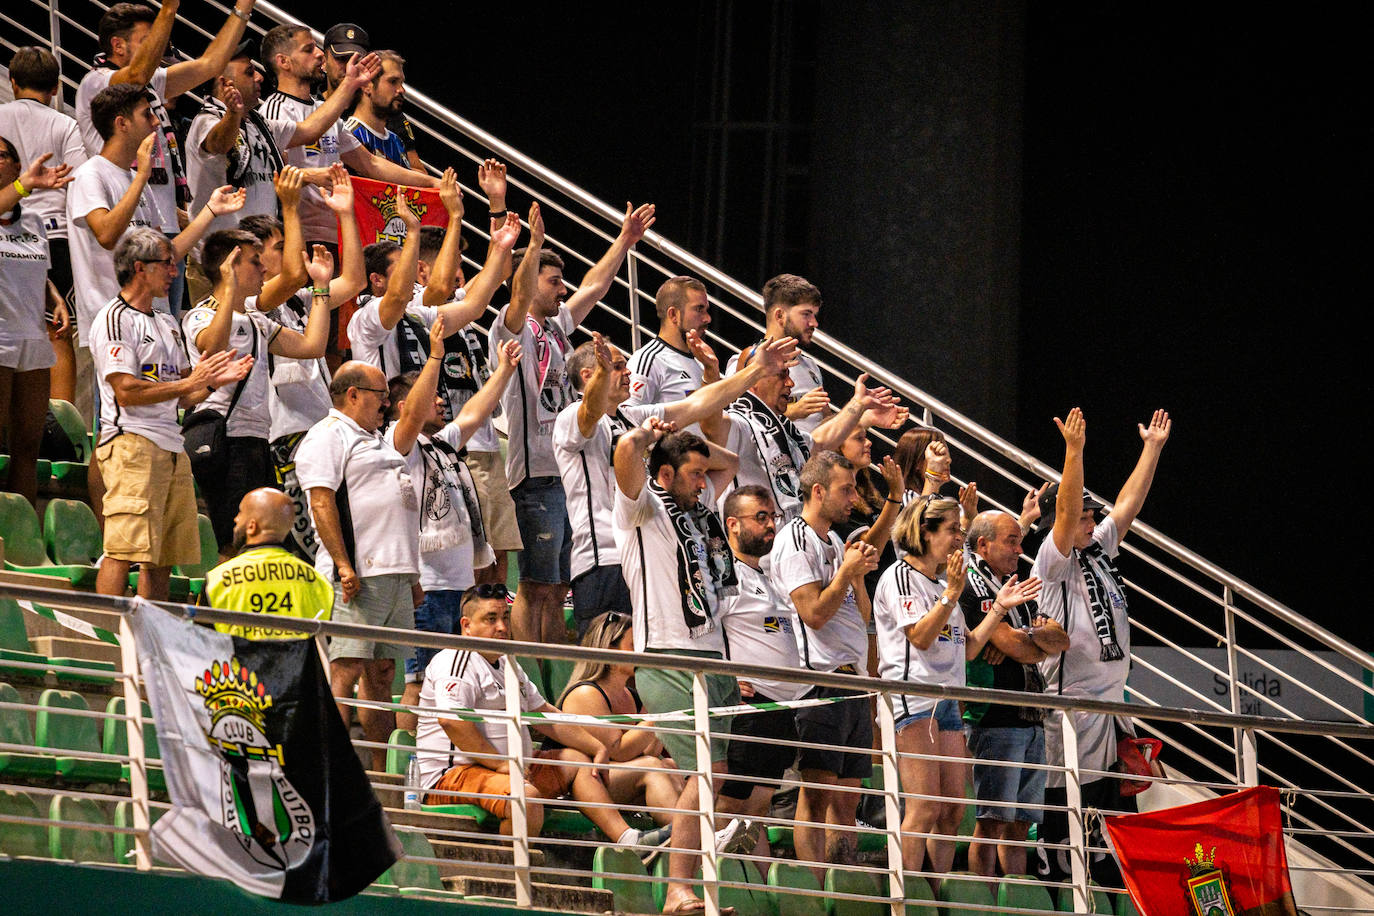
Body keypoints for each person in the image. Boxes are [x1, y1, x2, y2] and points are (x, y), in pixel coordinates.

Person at [554, 331, 798, 635]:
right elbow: (590, 412)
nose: (628, 372)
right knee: (605, 666)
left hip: (649, 558)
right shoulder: (569, 418)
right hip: (604, 560)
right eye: (617, 366)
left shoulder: (634, 415)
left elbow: (697, 405)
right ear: (589, 374)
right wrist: (605, 378)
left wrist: (756, 371)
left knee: (642, 665)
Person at [492, 199, 655, 644]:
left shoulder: (559, 327)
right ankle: (532, 672)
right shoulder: (510, 328)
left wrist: (624, 240)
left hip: (567, 471)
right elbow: (520, 295)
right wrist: (534, 244)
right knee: (536, 586)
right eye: (554, 281)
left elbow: (595, 287)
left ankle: (557, 667)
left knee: (559, 587)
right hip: (535, 474)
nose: (563, 290)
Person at [416, 584, 668, 853]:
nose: (502, 627)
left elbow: (547, 716)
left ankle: (628, 841)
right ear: (466, 626)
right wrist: (502, 765)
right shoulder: (454, 659)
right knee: (526, 798)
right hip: (454, 775)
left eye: (505, 617)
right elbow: (452, 722)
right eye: (491, 619)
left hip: (509, 769)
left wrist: (597, 748)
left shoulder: (509, 664)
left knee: (576, 760)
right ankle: (509, 877)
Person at [611, 422, 746, 915]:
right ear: (664, 474)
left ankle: (679, 870)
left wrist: (692, 444)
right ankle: (677, 889)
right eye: (692, 474)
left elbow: (727, 464)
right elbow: (626, 451)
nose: (703, 482)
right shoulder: (642, 509)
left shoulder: (702, 514)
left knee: (715, 772)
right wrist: (650, 435)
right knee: (705, 771)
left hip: (713, 653)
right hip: (667, 655)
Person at [1033, 407, 1171, 884]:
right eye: (1084, 517)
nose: (1092, 522)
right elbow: (1067, 511)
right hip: (1073, 707)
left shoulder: (1099, 547)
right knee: (1071, 804)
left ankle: (1101, 881)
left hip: (1111, 703)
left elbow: (1129, 504)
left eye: (1094, 517)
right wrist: (1074, 452)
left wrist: (1151, 449)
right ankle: (1059, 881)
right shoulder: (1052, 559)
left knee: (1110, 807)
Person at [873, 496, 1041, 882]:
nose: (958, 538)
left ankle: (932, 894)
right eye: (952, 529)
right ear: (924, 531)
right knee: (925, 807)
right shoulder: (901, 576)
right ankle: (905, 894)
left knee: (952, 810)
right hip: (914, 698)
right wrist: (951, 592)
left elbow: (967, 649)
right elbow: (920, 636)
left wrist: (998, 607)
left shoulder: (940, 583)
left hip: (948, 702)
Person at [88, 228, 252, 600]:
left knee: (161, 558)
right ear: (139, 268)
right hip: (130, 443)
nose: (174, 272)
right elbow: (127, 392)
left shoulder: (165, 322)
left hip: (171, 446)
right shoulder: (114, 319)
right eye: (167, 264)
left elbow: (181, 395)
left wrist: (212, 383)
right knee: (123, 550)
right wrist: (190, 382)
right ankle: (112, 638)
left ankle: (152, 641)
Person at [67, 84, 245, 412]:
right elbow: (106, 234)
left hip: (147, 318)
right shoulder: (91, 175)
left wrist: (210, 210)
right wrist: (141, 177)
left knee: (152, 417)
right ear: (121, 123)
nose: (155, 122)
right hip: (110, 319)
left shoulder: (139, 182)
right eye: (146, 114)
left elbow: (168, 252)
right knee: (112, 423)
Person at [75, 0, 260, 314]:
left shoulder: (151, 83)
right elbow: (136, 75)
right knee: (130, 328)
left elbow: (211, 64)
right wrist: (169, 9)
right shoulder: (97, 83)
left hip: (162, 226)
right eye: (148, 41)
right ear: (117, 45)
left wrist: (243, 7)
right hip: (127, 227)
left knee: (164, 331)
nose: (159, 47)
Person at [181, 176, 333, 557]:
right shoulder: (200, 316)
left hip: (255, 442)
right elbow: (211, 349)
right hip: (223, 440)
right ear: (228, 266)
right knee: (232, 545)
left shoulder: (256, 321)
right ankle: (214, 615)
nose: (265, 270)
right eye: (254, 263)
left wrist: (321, 288)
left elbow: (312, 345)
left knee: (263, 544)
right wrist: (230, 288)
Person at [382, 316, 520, 727]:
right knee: (420, 681)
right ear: (406, 408)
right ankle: (407, 760)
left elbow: (476, 412)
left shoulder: (440, 446)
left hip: (459, 587)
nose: (442, 401)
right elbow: (410, 417)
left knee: (454, 682)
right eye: (432, 397)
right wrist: (437, 355)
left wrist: (503, 371)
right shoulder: (397, 443)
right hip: (429, 588)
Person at [294, 360, 421, 771]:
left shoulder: (376, 438)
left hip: (395, 572)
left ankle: (382, 773)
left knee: (383, 672)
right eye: (380, 395)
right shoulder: (327, 436)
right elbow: (321, 502)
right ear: (353, 395)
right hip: (359, 573)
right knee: (345, 669)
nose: (386, 403)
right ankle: (332, 766)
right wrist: (344, 565)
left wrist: (412, 574)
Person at [245, 165, 367, 561]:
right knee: (310, 547)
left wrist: (346, 213)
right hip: (287, 437)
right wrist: (291, 205)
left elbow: (354, 282)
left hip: (321, 429)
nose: (291, 253)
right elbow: (297, 274)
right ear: (254, 257)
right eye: (279, 247)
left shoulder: (300, 299)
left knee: (334, 543)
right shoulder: (252, 303)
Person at [769, 451, 878, 874]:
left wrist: (856, 576)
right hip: (820, 680)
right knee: (816, 798)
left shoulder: (833, 541)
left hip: (854, 681)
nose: (853, 498)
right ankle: (813, 886)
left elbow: (862, 615)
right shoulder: (794, 540)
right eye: (845, 489)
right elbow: (813, 612)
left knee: (848, 805)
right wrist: (844, 572)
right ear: (818, 491)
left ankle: (843, 884)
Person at [258, 23, 437, 252]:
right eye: (308, 49)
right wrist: (314, 175)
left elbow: (370, 163)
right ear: (284, 62)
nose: (320, 54)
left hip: (339, 234)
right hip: (301, 237)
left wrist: (432, 183)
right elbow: (272, 177)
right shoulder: (275, 110)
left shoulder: (323, 109)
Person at [961, 509, 1069, 878]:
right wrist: (1023, 641)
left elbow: (1059, 639)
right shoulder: (970, 583)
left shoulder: (1014, 583)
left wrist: (1024, 639)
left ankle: (1015, 898)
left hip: (1031, 716)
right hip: (995, 715)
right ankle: (983, 900)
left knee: (1022, 826)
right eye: (1011, 541)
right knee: (992, 824)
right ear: (982, 544)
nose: (1020, 549)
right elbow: (1022, 647)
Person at [184, 38, 379, 240]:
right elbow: (220, 144)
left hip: (259, 251)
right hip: (219, 255)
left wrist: (349, 83)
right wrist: (233, 115)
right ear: (224, 82)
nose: (259, 77)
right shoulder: (205, 121)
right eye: (249, 72)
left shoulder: (258, 123)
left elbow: (310, 129)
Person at [715, 486, 807, 856]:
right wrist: (726, 678)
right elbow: (704, 630)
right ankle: (709, 880)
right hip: (750, 710)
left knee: (757, 810)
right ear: (733, 525)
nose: (771, 525)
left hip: (781, 709)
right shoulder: (722, 577)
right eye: (761, 518)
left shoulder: (767, 574)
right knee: (730, 805)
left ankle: (762, 891)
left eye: (773, 517)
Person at [725, 342, 905, 522]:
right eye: (781, 375)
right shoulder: (736, 423)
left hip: (788, 539)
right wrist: (753, 370)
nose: (790, 383)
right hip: (755, 543)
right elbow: (703, 414)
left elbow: (821, 441)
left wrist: (859, 405)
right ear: (754, 380)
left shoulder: (784, 429)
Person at [556, 611, 681, 846]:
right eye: (633, 645)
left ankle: (700, 832)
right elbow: (619, 751)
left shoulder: (632, 695)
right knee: (653, 768)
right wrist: (658, 716)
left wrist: (661, 704)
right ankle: (692, 838)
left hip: (615, 779)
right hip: (584, 784)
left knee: (670, 766)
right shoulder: (586, 693)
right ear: (610, 650)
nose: (641, 654)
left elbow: (649, 751)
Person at [0, 147, 73, 506]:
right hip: (0, 339)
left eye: (1, 154)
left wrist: (55, 299)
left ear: (15, 164)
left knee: (28, 447)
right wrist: (24, 185)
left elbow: (39, 271)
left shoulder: (32, 222)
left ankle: (19, 531)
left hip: (32, 339)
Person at [0, 48, 86, 336]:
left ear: (12, 82)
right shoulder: (66, 125)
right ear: (56, 87)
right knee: (56, 334)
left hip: (5, 231)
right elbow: (78, 182)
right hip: (54, 238)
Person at [204, 487, 334, 640]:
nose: (236, 519)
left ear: (252, 527)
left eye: (240, 513)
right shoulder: (318, 582)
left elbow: (202, 645)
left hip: (237, 663)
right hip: (297, 663)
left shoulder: (217, 581)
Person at [726, 273, 829, 433]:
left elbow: (826, 422)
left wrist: (860, 410)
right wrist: (793, 411)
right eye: (806, 314)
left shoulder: (810, 366)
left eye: (814, 315)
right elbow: (740, 425)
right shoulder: (747, 361)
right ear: (780, 315)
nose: (814, 323)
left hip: (813, 455)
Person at [321, 24, 425, 173]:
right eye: (342, 59)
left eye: (356, 60)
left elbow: (416, 171)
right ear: (324, 60)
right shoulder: (312, 108)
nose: (350, 67)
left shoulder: (388, 112)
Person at [624, 276, 712, 409]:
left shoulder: (700, 363)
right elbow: (629, 417)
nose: (707, 318)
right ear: (673, 315)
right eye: (699, 309)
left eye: (706, 310)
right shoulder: (649, 360)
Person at [342, 51, 420, 171]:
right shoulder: (348, 135)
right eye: (393, 81)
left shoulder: (396, 141)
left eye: (402, 83)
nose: (401, 90)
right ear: (367, 85)